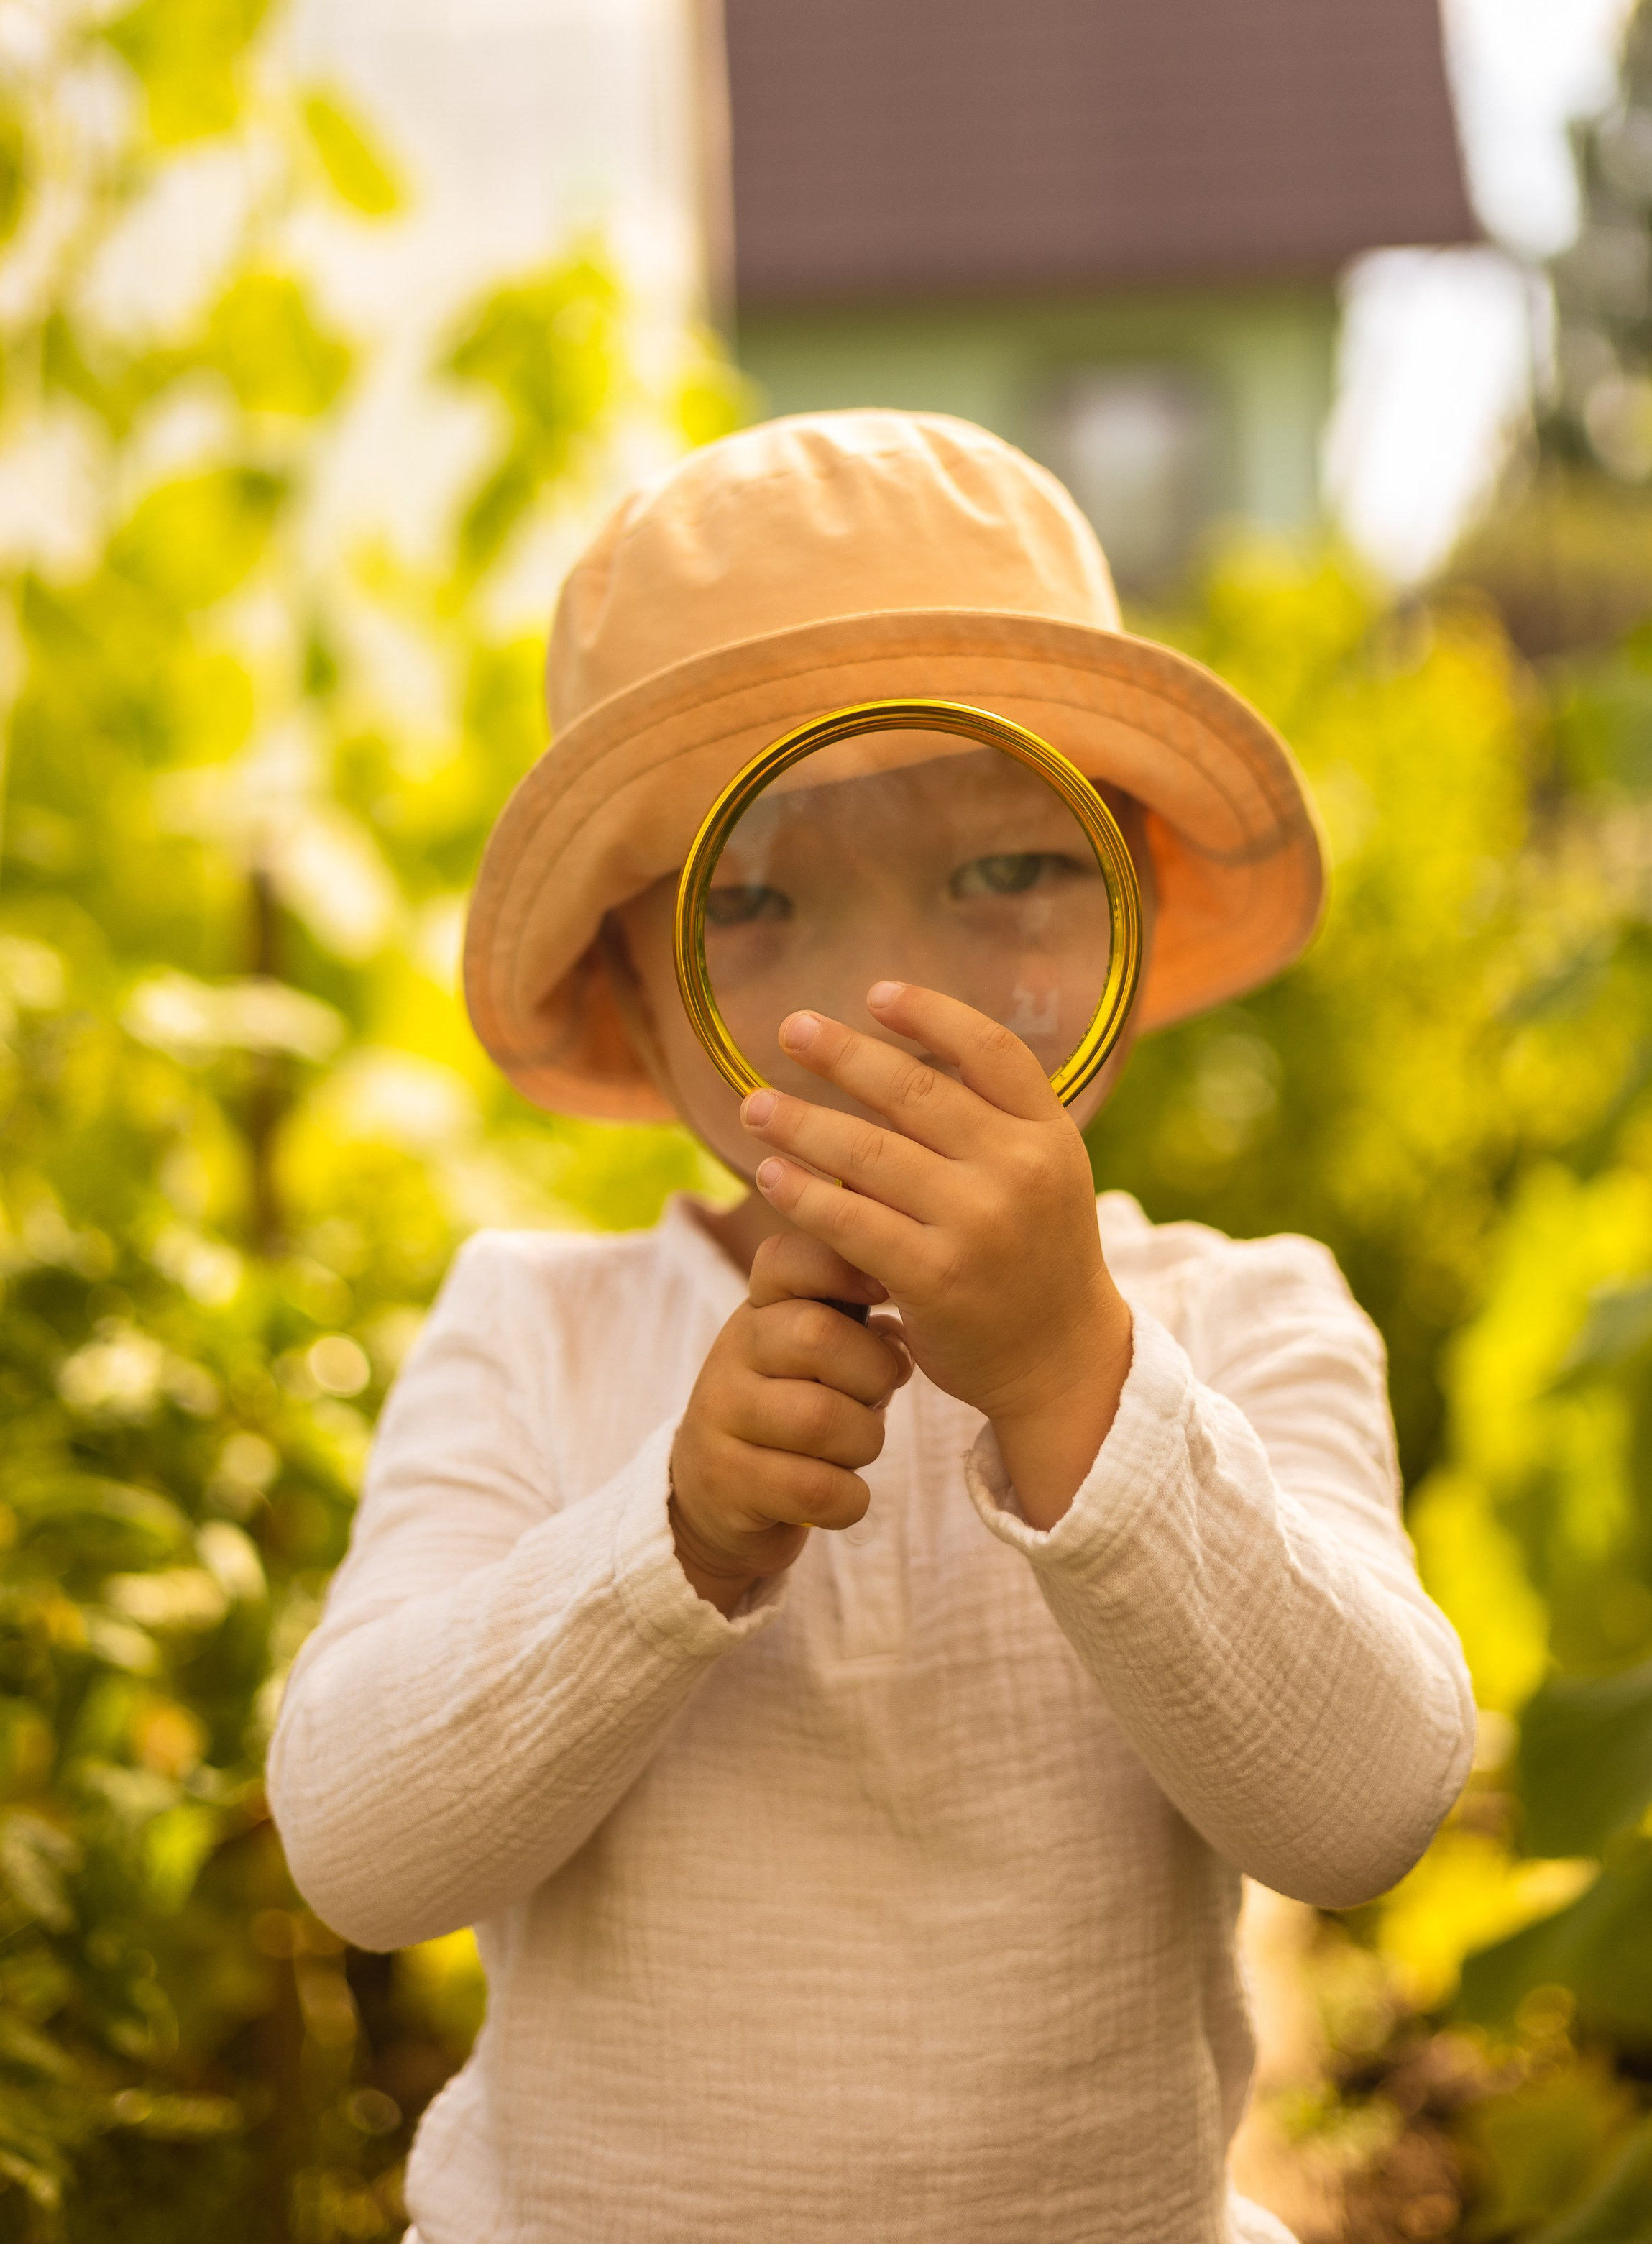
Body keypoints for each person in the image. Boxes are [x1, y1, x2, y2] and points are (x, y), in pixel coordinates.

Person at [269, 411, 1474, 2244]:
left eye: (1002, 871)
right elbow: (359, 1848)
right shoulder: (534, 1336)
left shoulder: (1239, 1322)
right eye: (750, 898)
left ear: (1134, 899)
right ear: (630, 988)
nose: (885, 991)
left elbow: (1362, 1805)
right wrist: (661, 1539)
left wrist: (1082, 1382)